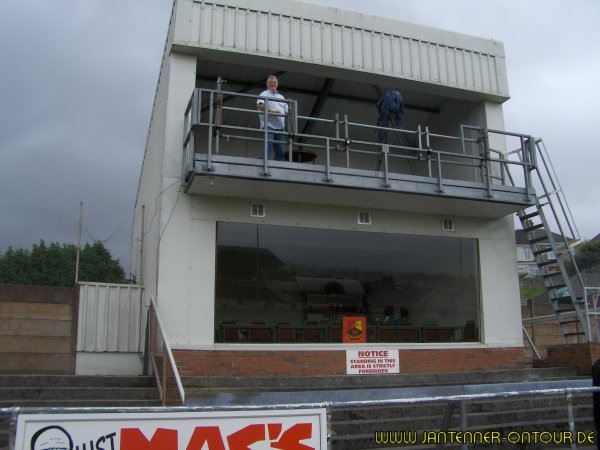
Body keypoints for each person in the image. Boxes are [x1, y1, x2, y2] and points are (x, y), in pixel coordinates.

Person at [257, 75, 289, 161]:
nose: (273, 84)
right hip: (269, 125)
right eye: (271, 82)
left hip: (280, 127)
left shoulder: (281, 97)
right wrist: (272, 111)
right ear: (267, 84)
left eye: (274, 82)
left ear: (277, 84)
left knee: (281, 150)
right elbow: (260, 105)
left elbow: (287, 110)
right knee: (268, 144)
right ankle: (265, 162)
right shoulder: (264, 94)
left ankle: (278, 165)